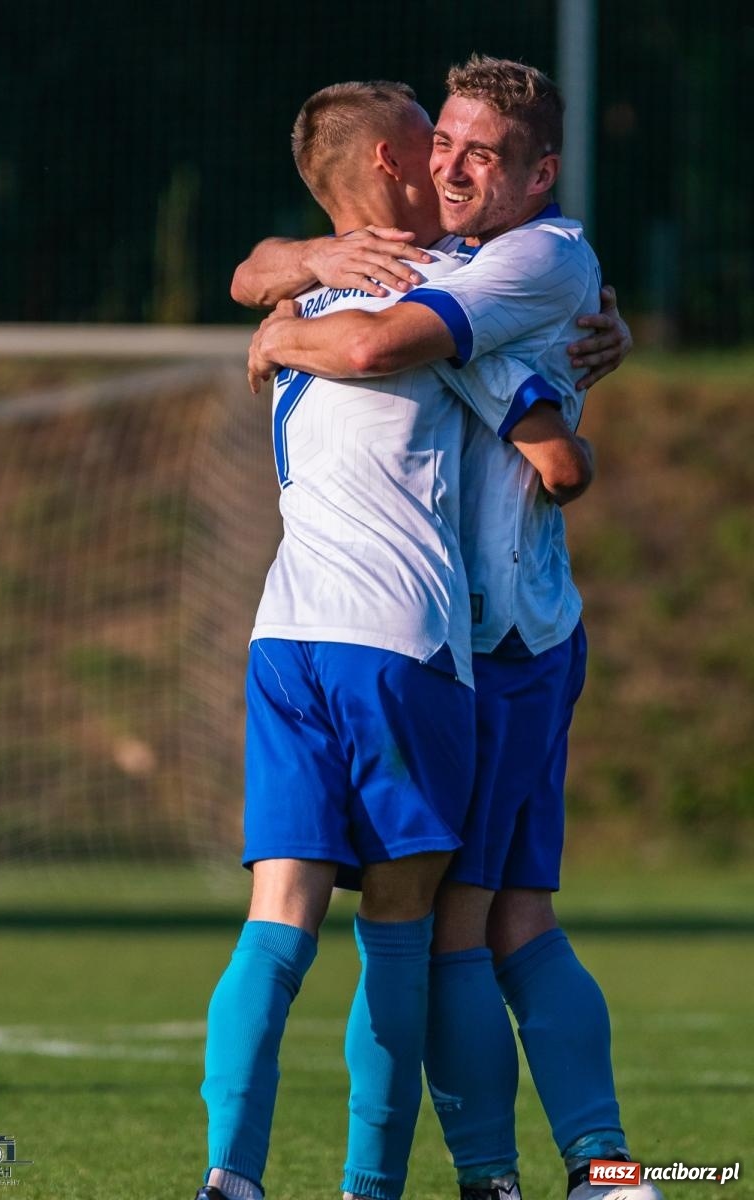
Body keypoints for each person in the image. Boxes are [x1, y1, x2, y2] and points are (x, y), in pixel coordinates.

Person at [247, 57, 660, 1200]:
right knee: (509, 916)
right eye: (446, 144)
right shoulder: (462, 253)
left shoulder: (531, 258)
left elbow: (383, 349)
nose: (454, 164)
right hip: (486, 636)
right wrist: (298, 265)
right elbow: (258, 267)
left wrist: (286, 333)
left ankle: (506, 1176)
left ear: (540, 176)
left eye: (483, 152)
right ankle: (604, 1167)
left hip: (494, 643)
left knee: (459, 929)